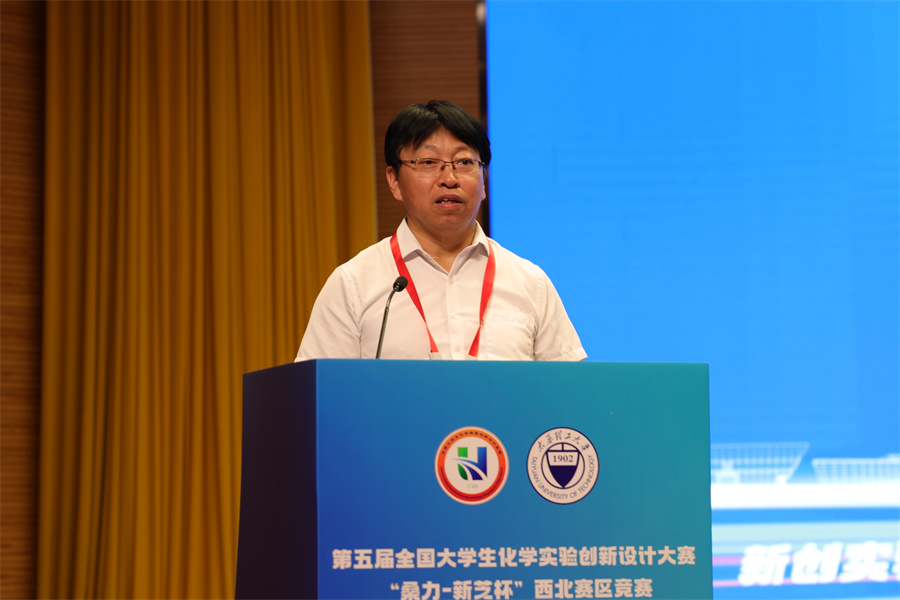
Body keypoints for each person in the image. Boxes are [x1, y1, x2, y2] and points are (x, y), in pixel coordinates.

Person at [295, 101, 586, 361]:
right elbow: (318, 394)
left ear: (484, 181)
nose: (449, 178)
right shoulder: (353, 285)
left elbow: (567, 392)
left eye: (464, 162)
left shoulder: (530, 283)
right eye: (428, 163)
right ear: (394, 181)